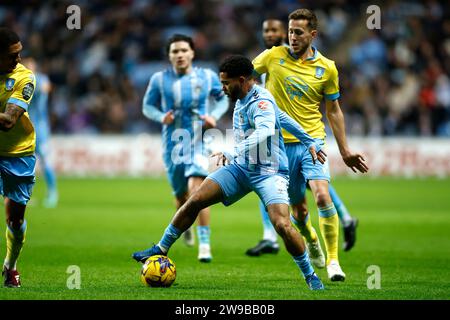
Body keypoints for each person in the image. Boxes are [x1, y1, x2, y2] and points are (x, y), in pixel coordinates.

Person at [132, 55, 326, 290]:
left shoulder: (260, 101)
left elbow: (265, 131)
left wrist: (233, 152)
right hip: (242, 168)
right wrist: (308, 140)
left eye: (226, 83)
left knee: (283, 225)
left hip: (270, 172)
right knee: (196, 200)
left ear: (242, 80)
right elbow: (281, 117)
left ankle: (310, 275)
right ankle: (160, 248)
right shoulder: (245, 97)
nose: (222, 88)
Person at [252, 9, 369, 281]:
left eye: (298, 32)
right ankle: (311, 238)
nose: (292, 37)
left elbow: (334, 111)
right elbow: (243, 75)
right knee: (300, 212)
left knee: (322, 196)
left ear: (313, 35)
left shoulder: (327, 67)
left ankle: (333, 262)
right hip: (279, 147)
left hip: (312, 142)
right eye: (290, 31)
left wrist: (345, 150)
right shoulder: (272, 56)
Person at [141, 34, 229, 262]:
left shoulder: (207, 77)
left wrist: (214, 116)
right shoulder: (159, 80)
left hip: (200, 141)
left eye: (183, 50)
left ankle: (205, 245)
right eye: (175, 52)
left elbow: (223, 99)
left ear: (192, 53)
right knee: (181, 197)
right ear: (169, 56)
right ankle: (184, 225)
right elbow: (147, 106)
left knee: (197, 192)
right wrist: (162, 117)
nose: (179, 55)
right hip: (173, 143)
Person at [0, 27, 36, 287]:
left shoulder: (25, 78)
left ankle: (10, 264)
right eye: (12, 55)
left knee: (15, 218)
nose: (19, 59)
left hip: (17, 154)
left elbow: (9, 121)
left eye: (20, 53)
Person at [21, 57, 58, 208]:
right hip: (24, 128)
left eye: (30, 64)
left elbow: (46, 87)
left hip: (40, 128)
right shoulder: (20, 80)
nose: (28, 67)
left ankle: (53, 193)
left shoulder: (40, 79)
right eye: (26, 65)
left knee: (45, 159)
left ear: (34, 66)